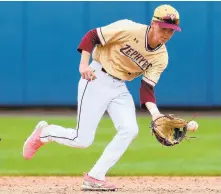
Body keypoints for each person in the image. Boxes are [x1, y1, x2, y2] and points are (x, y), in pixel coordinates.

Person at [23, 4, 181, 191]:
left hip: (119, 87)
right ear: (154, 23)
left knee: (130, 130)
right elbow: (92, 36)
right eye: (164, 28)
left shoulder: (161, 57)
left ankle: (95, 176)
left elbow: (147, 88)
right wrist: (83, 65)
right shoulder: (129, 28)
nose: (167, 34)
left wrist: (155, 114)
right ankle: (44, 132)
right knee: (82, 140)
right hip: (96, 76)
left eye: (171, 31)